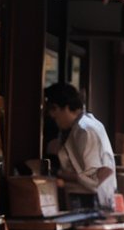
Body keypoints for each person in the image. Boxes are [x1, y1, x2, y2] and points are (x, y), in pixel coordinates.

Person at [43, 82, 117, 212]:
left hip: (93, 203)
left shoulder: (85, 130)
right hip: (82, 200)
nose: (53, 118)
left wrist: (60, 174)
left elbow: (94, 178)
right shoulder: (75, 128)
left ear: (64, 108)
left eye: (54, 112)